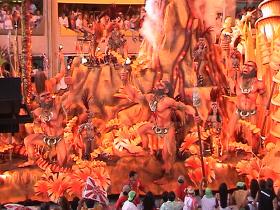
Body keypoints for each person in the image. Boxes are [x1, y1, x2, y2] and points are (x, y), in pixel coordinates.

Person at [123, 80, 198, 177]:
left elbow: (184, 108)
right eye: (158, 83)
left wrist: (194, 113)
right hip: (157, 128)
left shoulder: (167, 101)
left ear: (166, 90)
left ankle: (167, 176)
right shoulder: (150, 97)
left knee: (167, 156)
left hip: (168, 130)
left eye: (161, 84)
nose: (157, 84)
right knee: (142, 129)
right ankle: (147, 151)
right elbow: (135, 97)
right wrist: (125, 83)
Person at [227, 61, 266, 152]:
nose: (246, 67)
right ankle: (227, 152)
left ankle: (251, 155)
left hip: (251, 113)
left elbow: (264, 98)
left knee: (252, 135)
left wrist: (265, 110)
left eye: (250, 66)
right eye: (245, 65)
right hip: (237, 111)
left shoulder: (259, 84)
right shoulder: (237, 80)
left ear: (255, 69)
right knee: (229, 132)